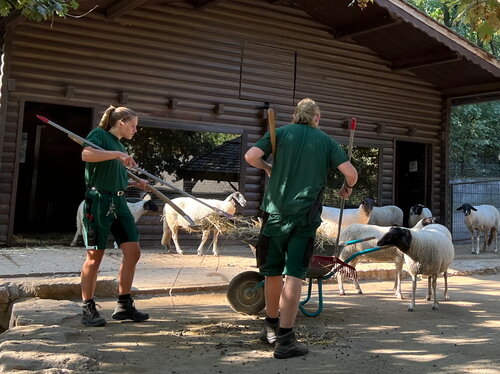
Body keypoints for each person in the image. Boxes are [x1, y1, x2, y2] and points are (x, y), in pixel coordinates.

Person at [244, 98, 358, 359]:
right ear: (317, 118)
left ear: (296, 115)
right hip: (304, 218)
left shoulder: (281, 133)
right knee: (294, 273)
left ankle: (269, 328)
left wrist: (267, 167)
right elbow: (351, 174)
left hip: (273, 214)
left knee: (272, 273)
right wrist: (347, 187)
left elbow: (251, 156)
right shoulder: (326, 141)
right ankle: (285, 340)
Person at [79, 105, 150, 327]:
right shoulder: (99, 135)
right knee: (95, 256)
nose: (135, 130)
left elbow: (113, 176)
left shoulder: (120, 147)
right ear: (120, 123)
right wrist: (118, 154)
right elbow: (86, 154)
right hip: (99, 200)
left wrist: (135, 182)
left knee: (133, 252)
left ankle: (124, 305)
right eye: (133, 125)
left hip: (119, 202)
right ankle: (88, 306)